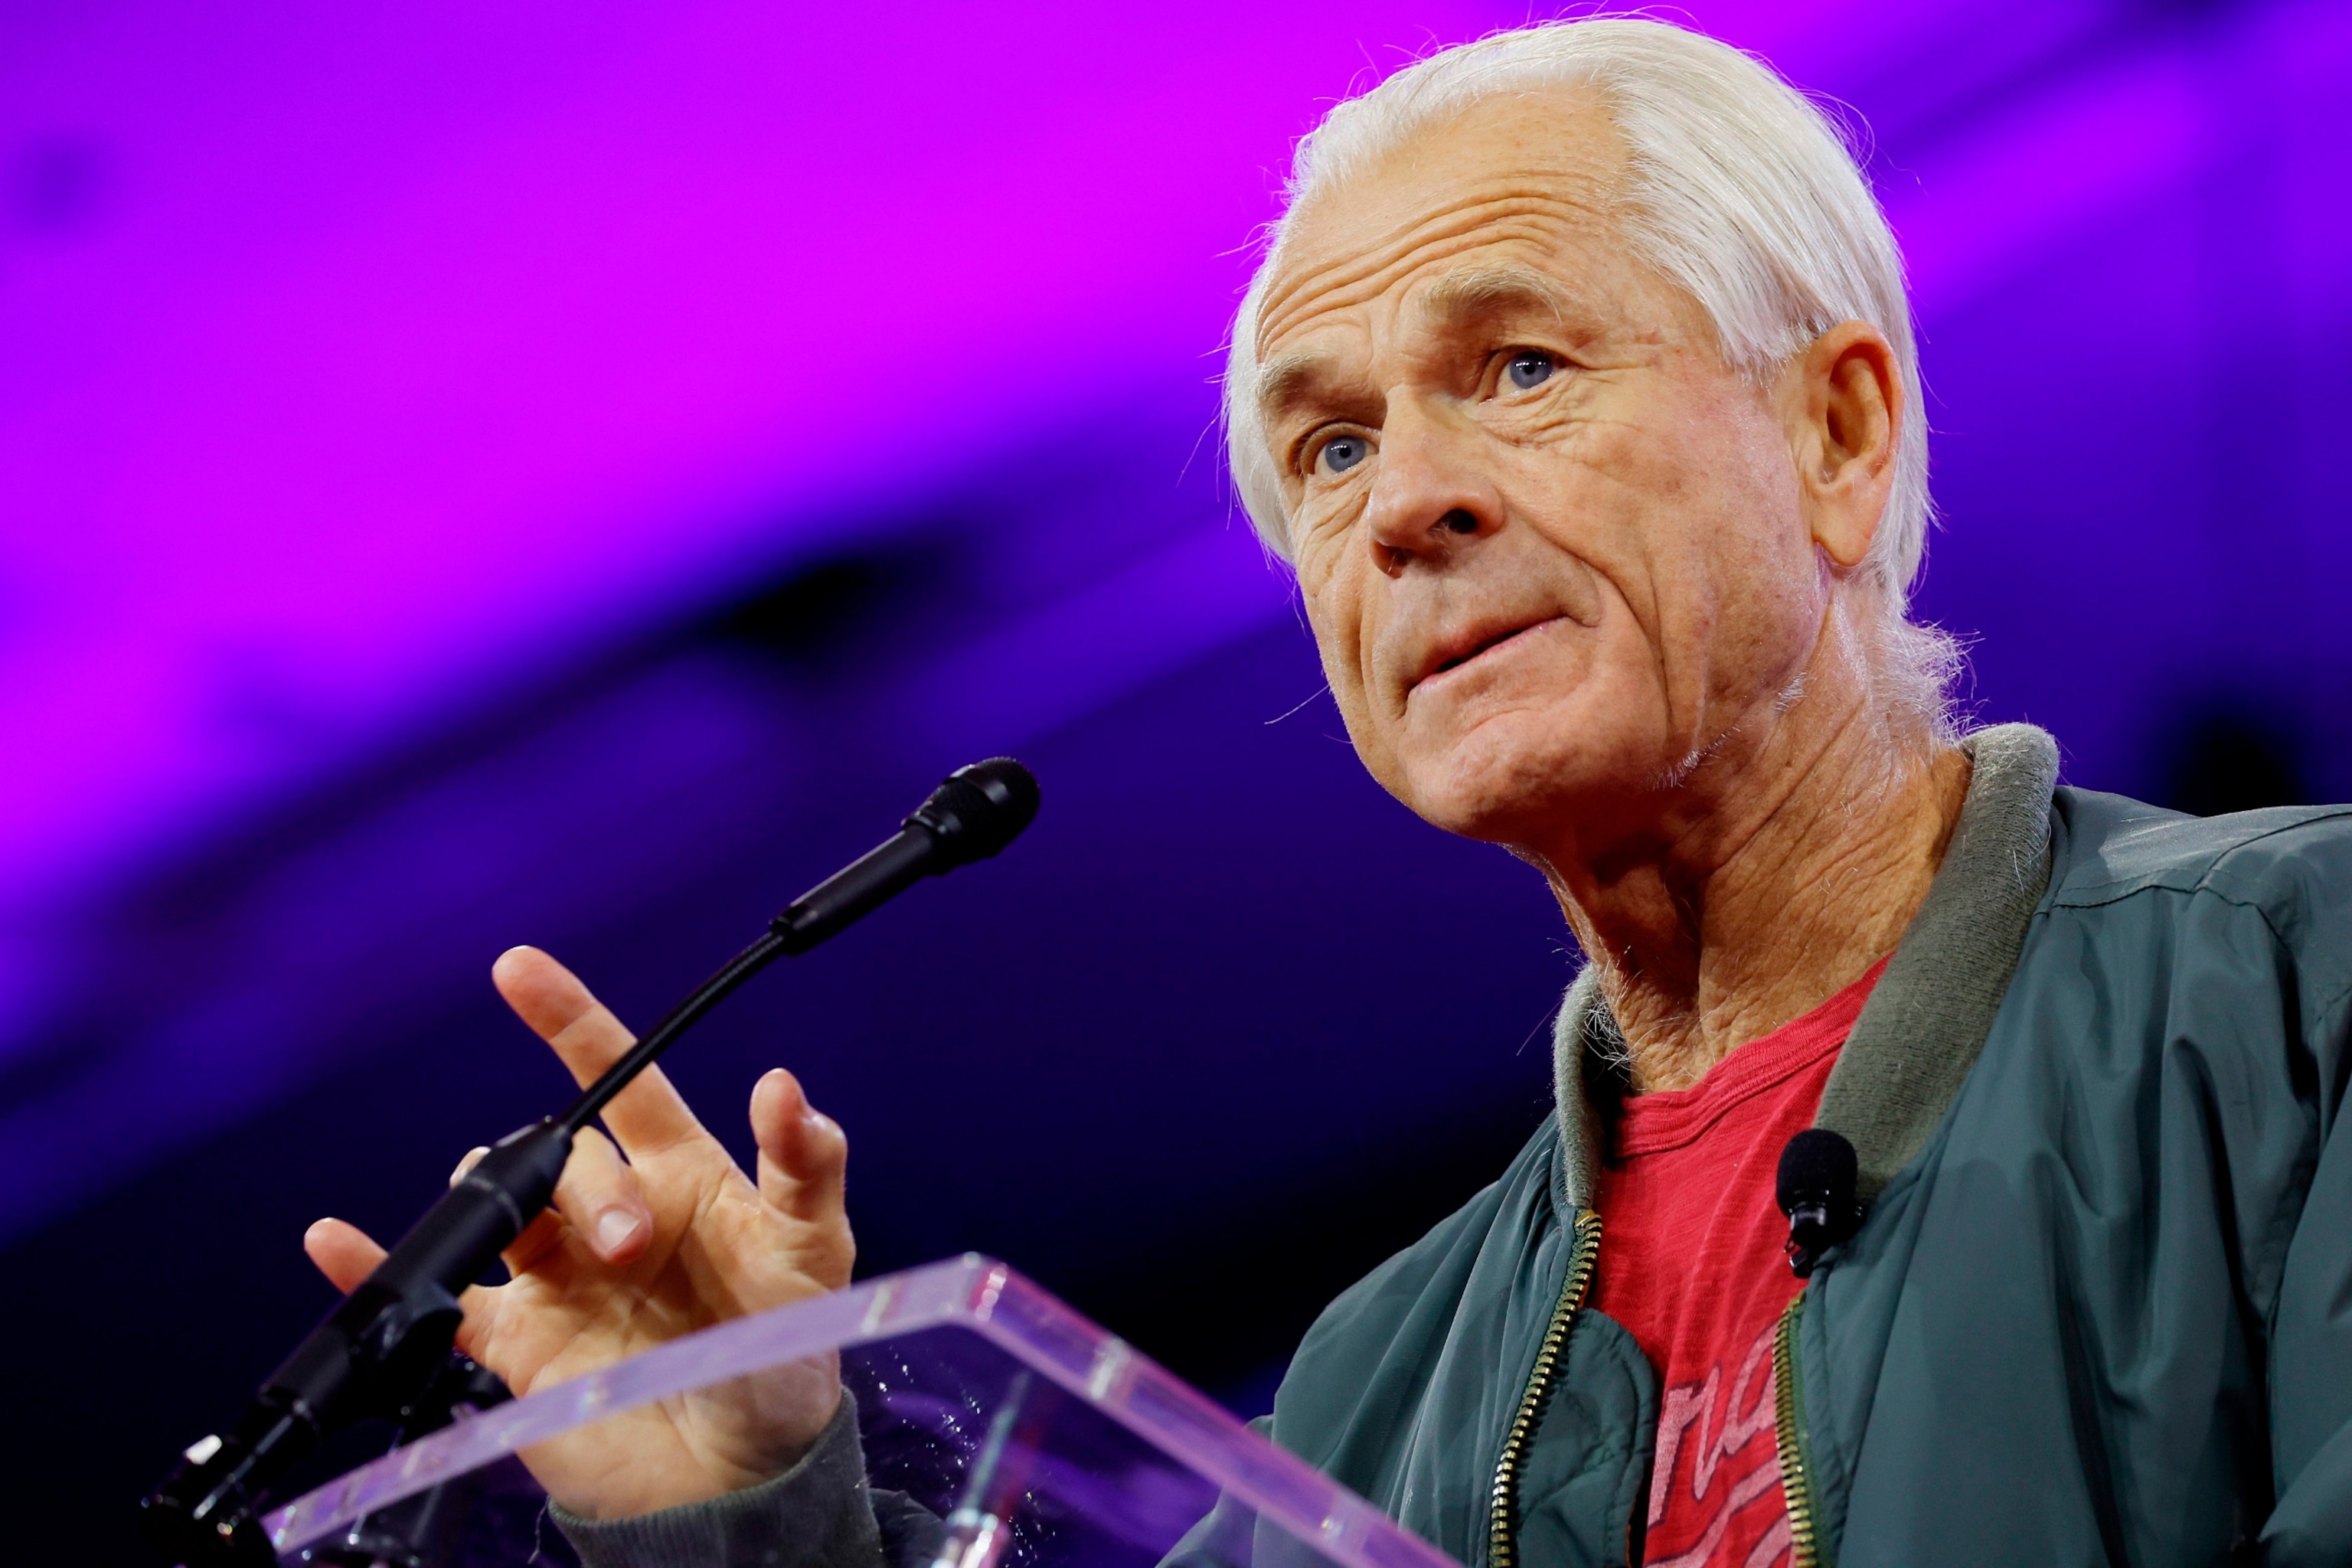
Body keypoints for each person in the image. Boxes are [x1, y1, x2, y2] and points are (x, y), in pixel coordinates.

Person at [304, 17, 2352, 1566]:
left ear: (1836, 430)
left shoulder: (2301, 992)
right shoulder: (1377, 1382)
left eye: (1523, 369)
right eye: (1328, 450)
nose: (1405, 507)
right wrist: (750, 1509)